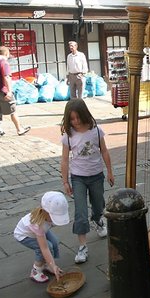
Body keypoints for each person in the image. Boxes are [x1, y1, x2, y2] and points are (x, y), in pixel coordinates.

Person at [60, 98, 114, 264]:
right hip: (78, 178)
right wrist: (65, 181)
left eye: (78, 118)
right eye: (72, 119)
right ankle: (82, 246)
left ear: (84, 115)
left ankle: (98, 220)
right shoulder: (68, 135)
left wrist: (110, 172)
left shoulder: (96, 131)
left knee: (99, 204)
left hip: (96, 175)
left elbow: (104, 151)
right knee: (80, 211)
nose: (75, 122)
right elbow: (64, 160)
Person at [14, 191, 70, 283]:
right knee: (44, 247)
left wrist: (52, 264)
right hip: (24, 235)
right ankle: (36, 270)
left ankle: (47, 264)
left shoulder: (46, 217)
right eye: (54, 216)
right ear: (45, 212)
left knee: (54, 242)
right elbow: (44, 248)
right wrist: (53, 265)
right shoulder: (38, 224)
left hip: (40, 231)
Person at [0, 46, 30, 137]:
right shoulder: (4, 63)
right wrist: (9, 91)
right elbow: (6, 77)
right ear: (6, 53)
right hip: (3, 90)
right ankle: (19, 129)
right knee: (13, 110)